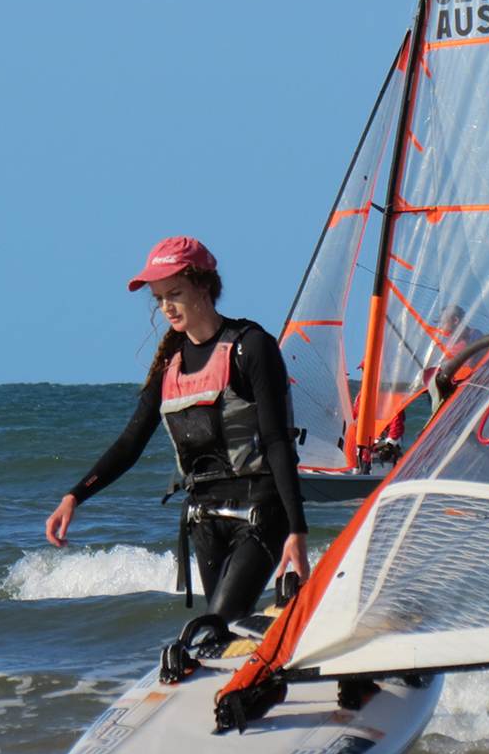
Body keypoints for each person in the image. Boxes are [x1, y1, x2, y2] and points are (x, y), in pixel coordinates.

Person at [44, 236, 310, 650]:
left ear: (203, 286)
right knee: (224, 632)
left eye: (175, 294)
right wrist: (74, 496)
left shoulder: (250, 346)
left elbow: (277, 442)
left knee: (215, 628)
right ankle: (259, 669)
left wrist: (297, 530)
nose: (166, 307)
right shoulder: (170, 365)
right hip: (204, 520)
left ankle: (266, 665)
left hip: (260, 512)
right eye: (159, 299)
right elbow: (131, 442)